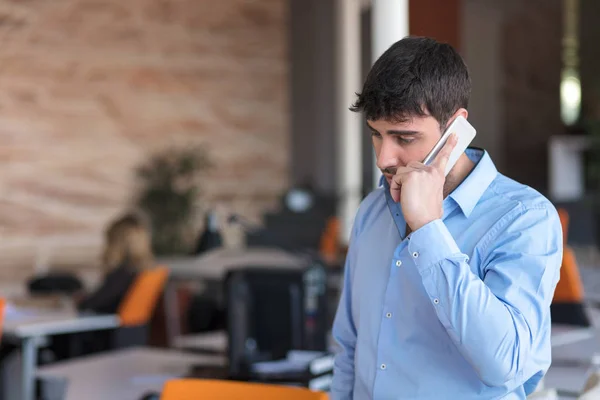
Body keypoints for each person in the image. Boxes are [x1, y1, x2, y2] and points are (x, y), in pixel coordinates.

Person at [331, 37, 562, 399]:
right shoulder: (372, 212)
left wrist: (428, 230)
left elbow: (506, 364)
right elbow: (348, 348)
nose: (383, 158)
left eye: (404, 137)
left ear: (455, 130)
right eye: (376, 135)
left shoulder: (525, 219)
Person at [76, 212, 154, 314]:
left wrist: (77, 300)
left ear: (115, 243)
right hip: (132, 329)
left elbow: (91, 304)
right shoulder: (143, 272)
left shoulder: (122, 274)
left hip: (106, 327)